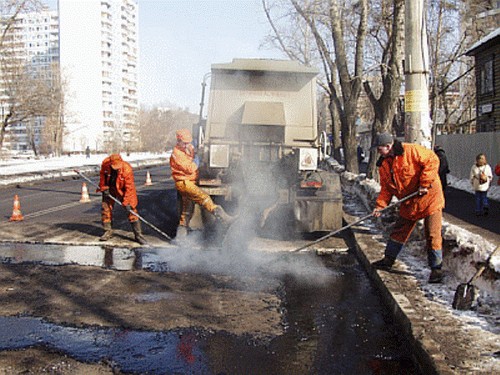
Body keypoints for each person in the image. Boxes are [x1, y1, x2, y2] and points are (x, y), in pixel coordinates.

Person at [370, 132, 445, 283]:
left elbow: (432, 160)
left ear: (388, 146)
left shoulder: (411, 151)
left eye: (379, 149)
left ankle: (436, 269)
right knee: (399, 230)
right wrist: (380, 206)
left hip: (429, 198)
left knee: (432, 233)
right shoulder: (384, 165)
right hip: (409, 202)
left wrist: (424, 183)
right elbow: (386, 189)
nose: (377, 152)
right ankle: (388, 260)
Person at [169, 128, 235, 237]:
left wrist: (197, 149)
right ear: (178, 141)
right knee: (203, 197)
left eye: (188, 142)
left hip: (190, 181)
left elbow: (192, 151)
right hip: (184, 182)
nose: (187, 145)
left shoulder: (187, 148)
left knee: (186, 210)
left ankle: (181, 236)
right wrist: (197, 160)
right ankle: (223, 217)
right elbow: (190, 168)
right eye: (184, 143)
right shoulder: (176, 154)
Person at [96, 153, 147, 245]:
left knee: (131, 210)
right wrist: (104, 188)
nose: (115, 168)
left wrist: (127, 202)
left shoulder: (126, 169)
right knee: (106, 209)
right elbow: (102, 176)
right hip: (110, 188)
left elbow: (129, 188)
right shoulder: (105, 164)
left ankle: (138, 235)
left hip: (122, 189)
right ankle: (107, 231)